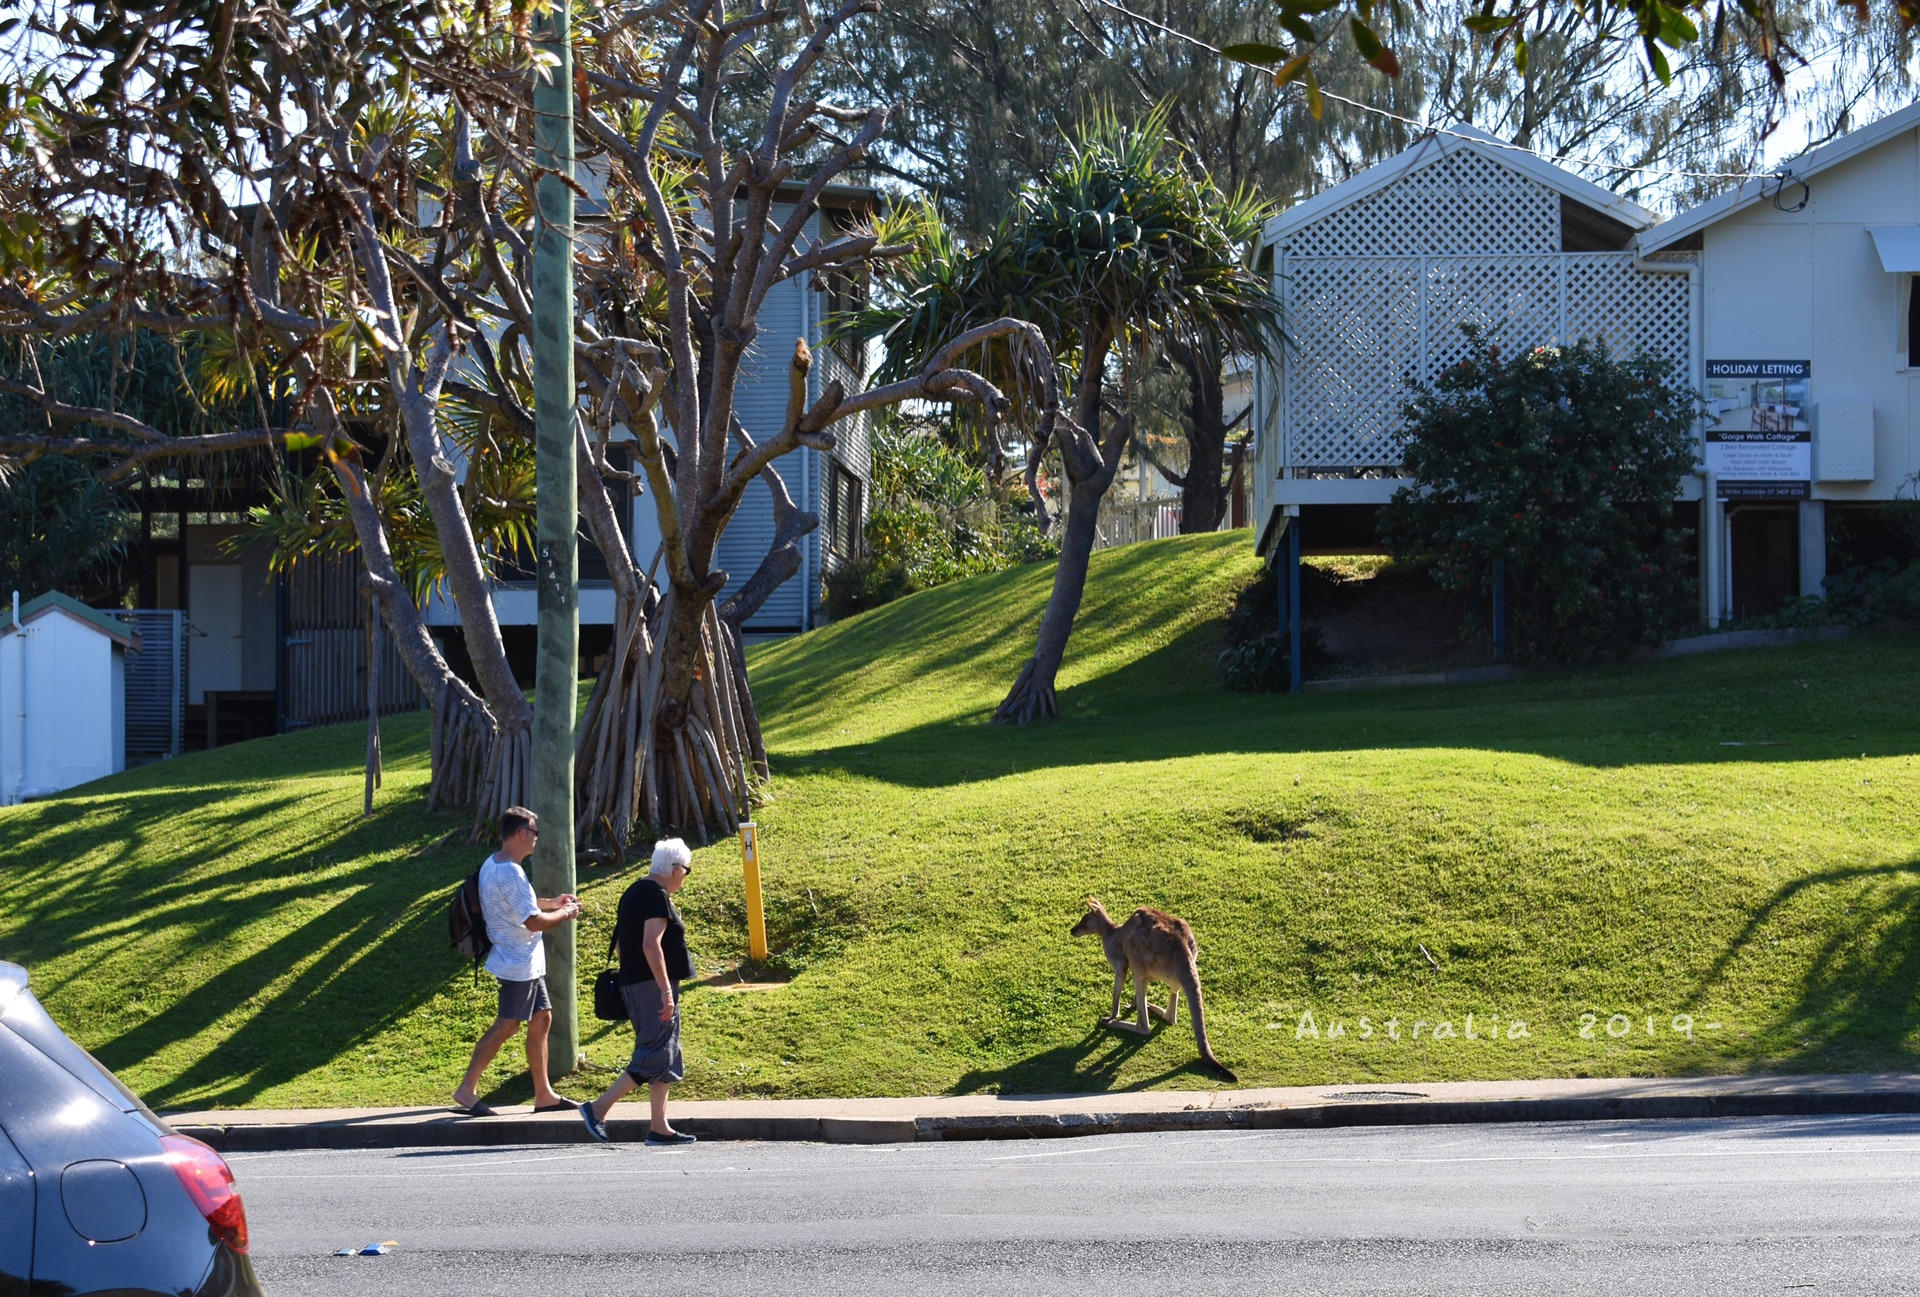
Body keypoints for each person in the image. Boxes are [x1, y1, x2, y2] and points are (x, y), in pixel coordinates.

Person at [451, 806, 582, 1117]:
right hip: (517, 964)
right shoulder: (510, 870)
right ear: (522, 834)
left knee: (542, 1019)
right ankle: (466, 1089)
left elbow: (522, 903)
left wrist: (553, 902)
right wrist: (566, 913)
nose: (537, 839)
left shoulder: (495, 864)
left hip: (524, 963)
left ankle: (544, 1094)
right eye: (535, 833)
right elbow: (533, 921)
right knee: (507, 1024)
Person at [579, 838, 696, 1146]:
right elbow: (650, 944)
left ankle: (659, 1127)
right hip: (652, 985)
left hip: (637, 982)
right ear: (674, 869)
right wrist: (664, 990)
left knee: (666, 1052)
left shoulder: (634, 891)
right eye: (687, 869)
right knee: (655, 1050)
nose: (686, 875)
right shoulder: (655, 895)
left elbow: (621, 944)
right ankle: (598, 1108)